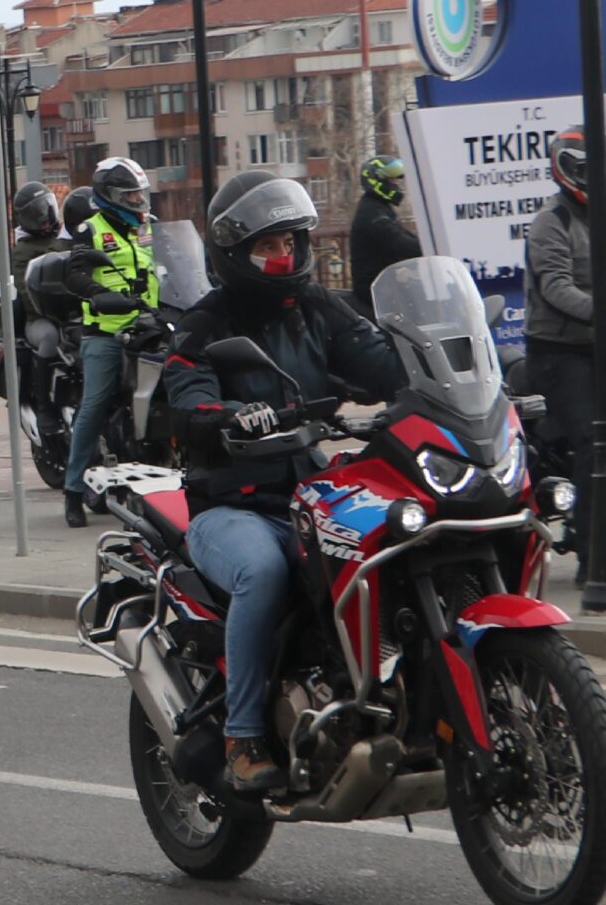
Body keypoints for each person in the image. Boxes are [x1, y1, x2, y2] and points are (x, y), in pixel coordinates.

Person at [164, 171, 406, 795]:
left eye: (291, 244)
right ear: (235, 252)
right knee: (264, 573)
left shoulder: (321, 309)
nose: (284, 257)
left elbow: (381, 362)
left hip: (307, 494)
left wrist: (440, 371)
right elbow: (186, 401)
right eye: (268, 247)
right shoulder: (204, 325)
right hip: (230, 508)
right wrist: (225, 417)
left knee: (389, 542)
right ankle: (243, 735)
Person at [61, 157, 158, 527]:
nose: (137, 201)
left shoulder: (151, 228)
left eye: (140, 194)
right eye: (129, 195)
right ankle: (73, 490)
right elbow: (75, 274)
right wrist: (98, 293)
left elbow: (178, 258)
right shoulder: (90, 230)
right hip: (107, 332)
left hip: (151, 326)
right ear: (109, 196)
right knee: (95, 405)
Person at [526, 126, 594, 586]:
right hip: (559, 353)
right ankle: (596, 558)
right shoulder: (552, 221)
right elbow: (555, 288)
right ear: (565, 169)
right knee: (596, 442)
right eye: (587, 170)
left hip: (595, 344)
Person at [348, 154, 422, 313]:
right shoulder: (371, 212)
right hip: (374, 293)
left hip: (388, 287)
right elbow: (400, 242)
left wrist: (430, 243)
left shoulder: (381, 207)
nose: (396, 185)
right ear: (377, 180)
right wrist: (430, 248)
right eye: (392, 180)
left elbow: (407, 236)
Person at [7, 182, 68, 337]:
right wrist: (54, 307)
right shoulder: (22, 251)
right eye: (38, 213)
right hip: (38, 317)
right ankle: (42, 362)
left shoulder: (62, 236)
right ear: (25, 217)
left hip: (70, 309)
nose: (45, 217)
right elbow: (26, 291)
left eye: (47, 208)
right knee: (49, 337)